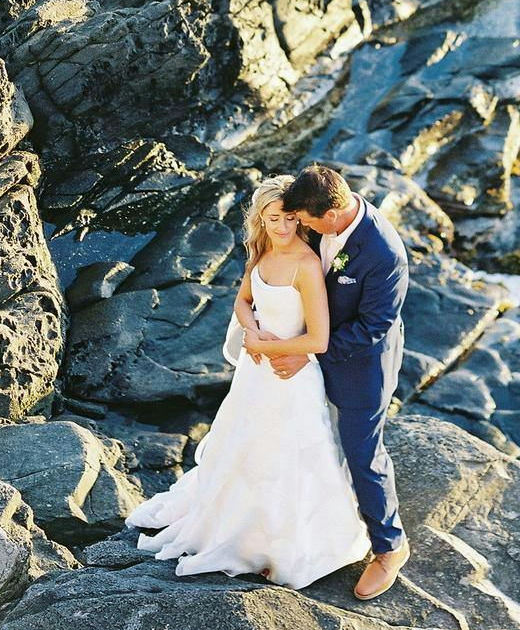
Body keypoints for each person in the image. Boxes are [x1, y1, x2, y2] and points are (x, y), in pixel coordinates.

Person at [124, 177, 370, 587]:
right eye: (274, 219)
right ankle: (230, 522)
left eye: (291, 219)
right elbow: (243, 301)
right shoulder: (260, 253)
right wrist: (252, 330)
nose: (283, 228)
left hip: (289, 377)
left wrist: (264, 345)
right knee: (242, 445)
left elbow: (318, 339)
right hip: (254, 374)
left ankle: (278, 542)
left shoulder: (307, 266)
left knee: (286, 458)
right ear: (261, 219)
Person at [277, 161, 410, 601]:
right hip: (311, 347)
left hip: (361, 366)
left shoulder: (384, 253)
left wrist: (306, 352)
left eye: (306, 222)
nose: (301, 227)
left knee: (362, 452)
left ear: (330, 216)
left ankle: (390, 547)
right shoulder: (319, 217)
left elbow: (373, 326)